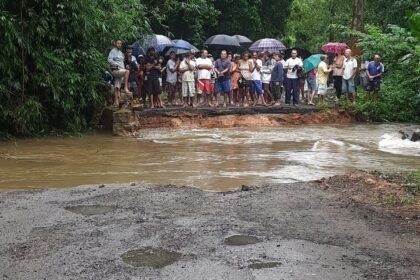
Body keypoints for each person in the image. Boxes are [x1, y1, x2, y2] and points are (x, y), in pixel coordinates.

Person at [107, 39, 131, 106]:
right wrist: (115, 65)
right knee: (127, 71)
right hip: (116, 70)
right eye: (118, 43)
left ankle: (116, 102)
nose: (119, 45)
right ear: (115, 43)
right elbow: (109, 60)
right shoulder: (112, 51)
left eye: (120, 43)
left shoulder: (121, 53)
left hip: (121, 70)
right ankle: (126, 87)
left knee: (117, 86)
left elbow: (123, 62)